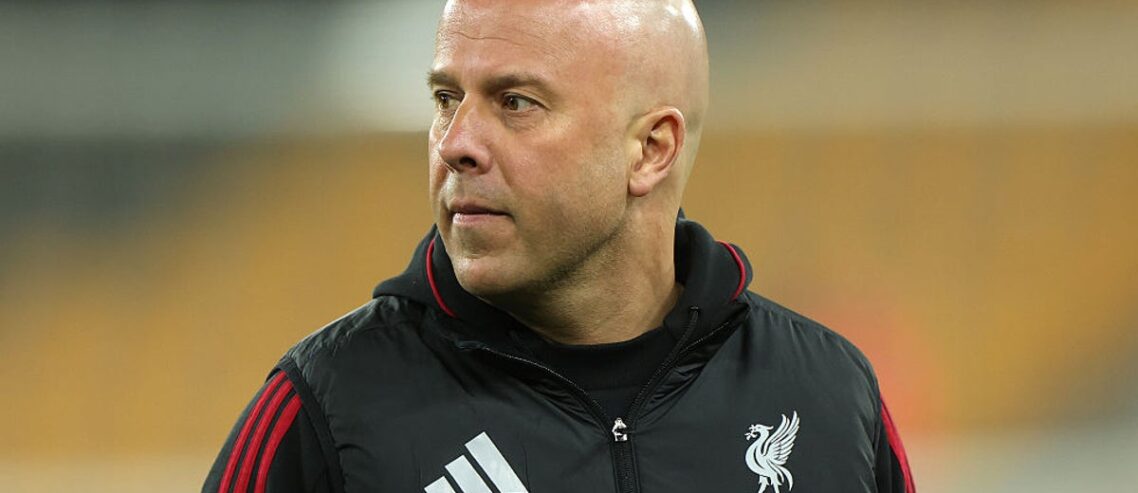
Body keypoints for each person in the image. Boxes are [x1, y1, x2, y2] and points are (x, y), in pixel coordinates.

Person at [203, 0, 915, 492]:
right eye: (447, 99)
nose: (456, 144)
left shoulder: (827, 394)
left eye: (515, 102)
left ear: (651, 150)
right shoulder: (325, 408)